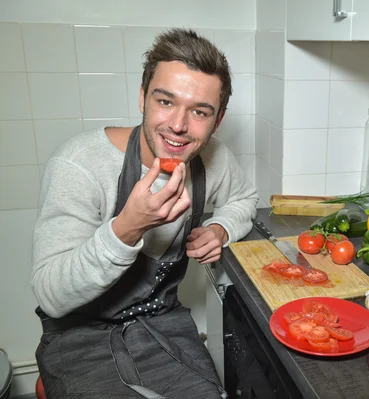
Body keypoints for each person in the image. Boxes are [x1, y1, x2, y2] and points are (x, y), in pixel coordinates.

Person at [30, 28, 259, 399]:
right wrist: (126, 230)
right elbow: (52, 295)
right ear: (142, 98)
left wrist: (220, 228)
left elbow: (244, 199)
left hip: (163, 323)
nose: (179, 126)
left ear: (217, 121)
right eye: (165, 102)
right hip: (78, 336)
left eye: (200, 111)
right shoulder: (79, 164)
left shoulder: (213, 158)